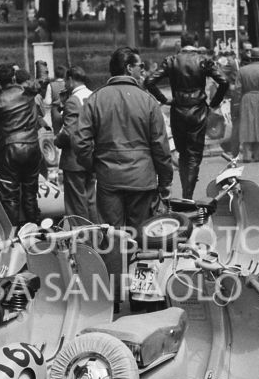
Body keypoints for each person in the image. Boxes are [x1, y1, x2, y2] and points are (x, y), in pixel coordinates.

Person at [73, 44, 172, 245]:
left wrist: (93, 166)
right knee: (142, 235)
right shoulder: (147, 100)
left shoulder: (96, 99)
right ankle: (140, 273)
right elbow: (160, 146)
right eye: (140, 66)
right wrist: (165, 180)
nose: (143, 70)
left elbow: (80, 141)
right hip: (142, 180)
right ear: (128, 68)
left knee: (112, 236)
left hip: (109, 179)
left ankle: (115, 275)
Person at [145, 31, 228, 199]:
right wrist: (213, 103)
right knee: (194, 155)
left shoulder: (172, 60)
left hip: (178, 109)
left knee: (183, 154)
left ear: (181, 43)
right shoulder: (203, 60)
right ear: (195, 42)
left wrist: (164, 99)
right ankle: (187, 195)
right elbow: (224, 81)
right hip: (198, 110)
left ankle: (186, 193)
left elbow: (149, 81)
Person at [0, 63, 42, 226]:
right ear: (14, 77)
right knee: (30, 192)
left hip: (10, 149)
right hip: (32, 145)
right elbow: (42, 79)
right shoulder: (29, 91)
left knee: (10, 195)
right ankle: (34, 229)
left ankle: (12, 234)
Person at [54, 65, 97, 222]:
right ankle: (96, 236)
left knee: (76, 203)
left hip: (74, 158)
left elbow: (69, 132)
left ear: (70, 80)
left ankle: (81, 240)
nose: (65, 84)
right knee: (91, 199)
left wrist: (56, 141)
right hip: (91, 154)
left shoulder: (72, 101)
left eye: (66, 81)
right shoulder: (94, 96)